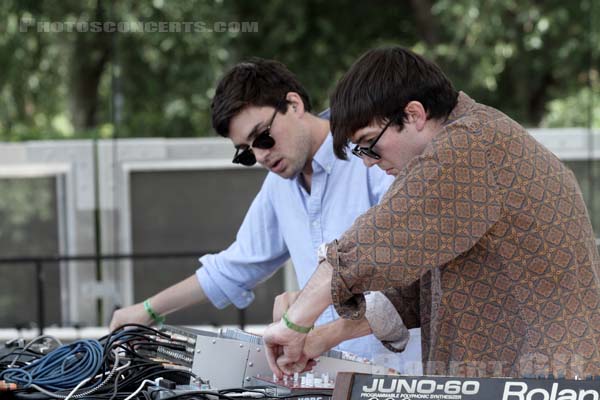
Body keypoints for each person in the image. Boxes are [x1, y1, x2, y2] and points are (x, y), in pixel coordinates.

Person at [263, 46, 600, 379]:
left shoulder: (469, 146)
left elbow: (372, 244)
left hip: (547, 381)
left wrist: (295, 322)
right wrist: (321, 337)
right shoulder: (479, 141)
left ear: (414, 114)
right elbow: (412, 291)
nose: (366, 161)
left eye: (369, 144)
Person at [109, 58, 423, 373]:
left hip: (402, 373)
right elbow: (234, 267)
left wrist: (309, 302)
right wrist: (148, 310)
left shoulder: (369, 156)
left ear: (294, 104)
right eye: (246, 152)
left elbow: (408, 270)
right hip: (328, 380)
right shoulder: (279, 186)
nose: (260, 155)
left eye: (262, 137)